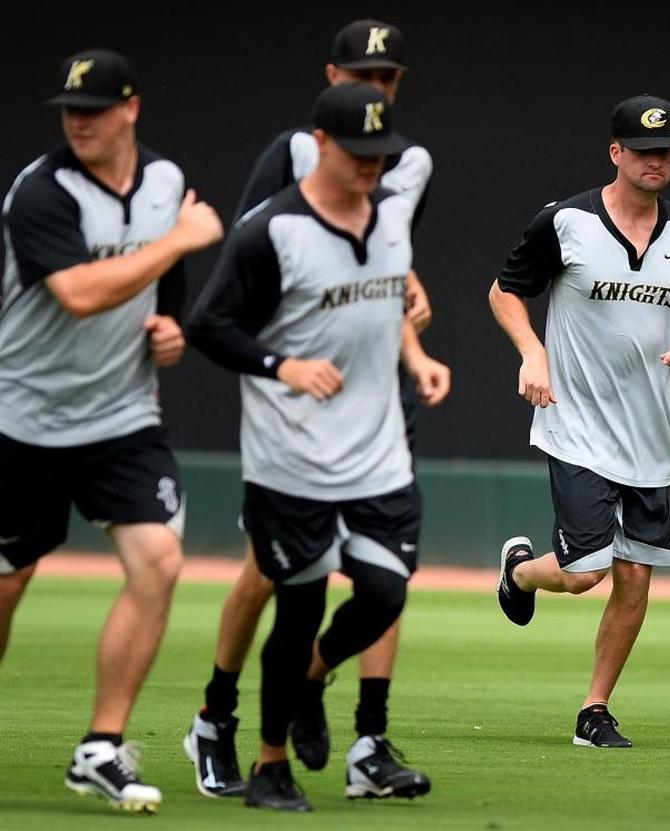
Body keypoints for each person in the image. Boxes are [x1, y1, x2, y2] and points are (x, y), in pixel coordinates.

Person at [183, 19, 435, 800]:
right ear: (328, 89)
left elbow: (378, 276)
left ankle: (356, 728)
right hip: (293, 424)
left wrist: (414, 348)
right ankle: (229, 725)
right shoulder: (286, 184)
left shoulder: (401, 180)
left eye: (390, 77)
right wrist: (284, 364)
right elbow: (253, 297)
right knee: (280, 584)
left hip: (375, 416)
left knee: (384, 586)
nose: (379, 91)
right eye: (364, 75)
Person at [0, 49, 223, 812]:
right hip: (20, 418)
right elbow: (82, 294)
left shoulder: (164, 183)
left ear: (130, 108)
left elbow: (162, 298)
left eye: (94, 108)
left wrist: (168, 332)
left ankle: (100, 746)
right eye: (70, 110)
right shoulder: (41, 192)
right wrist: (181, 239)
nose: (79, 122)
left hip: (120, 417)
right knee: (7, 583)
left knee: (158, 560)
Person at [490, 94, 670, 748]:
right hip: (577, 424)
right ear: (615, 152)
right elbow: (503, 291)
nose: (655, 161)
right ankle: (523, 571)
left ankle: (594, 710)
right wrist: (533, 352)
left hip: (651, 432)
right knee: (588, 570)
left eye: (665, 151)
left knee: (636, 575)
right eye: (643, 150)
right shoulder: (564, 223)